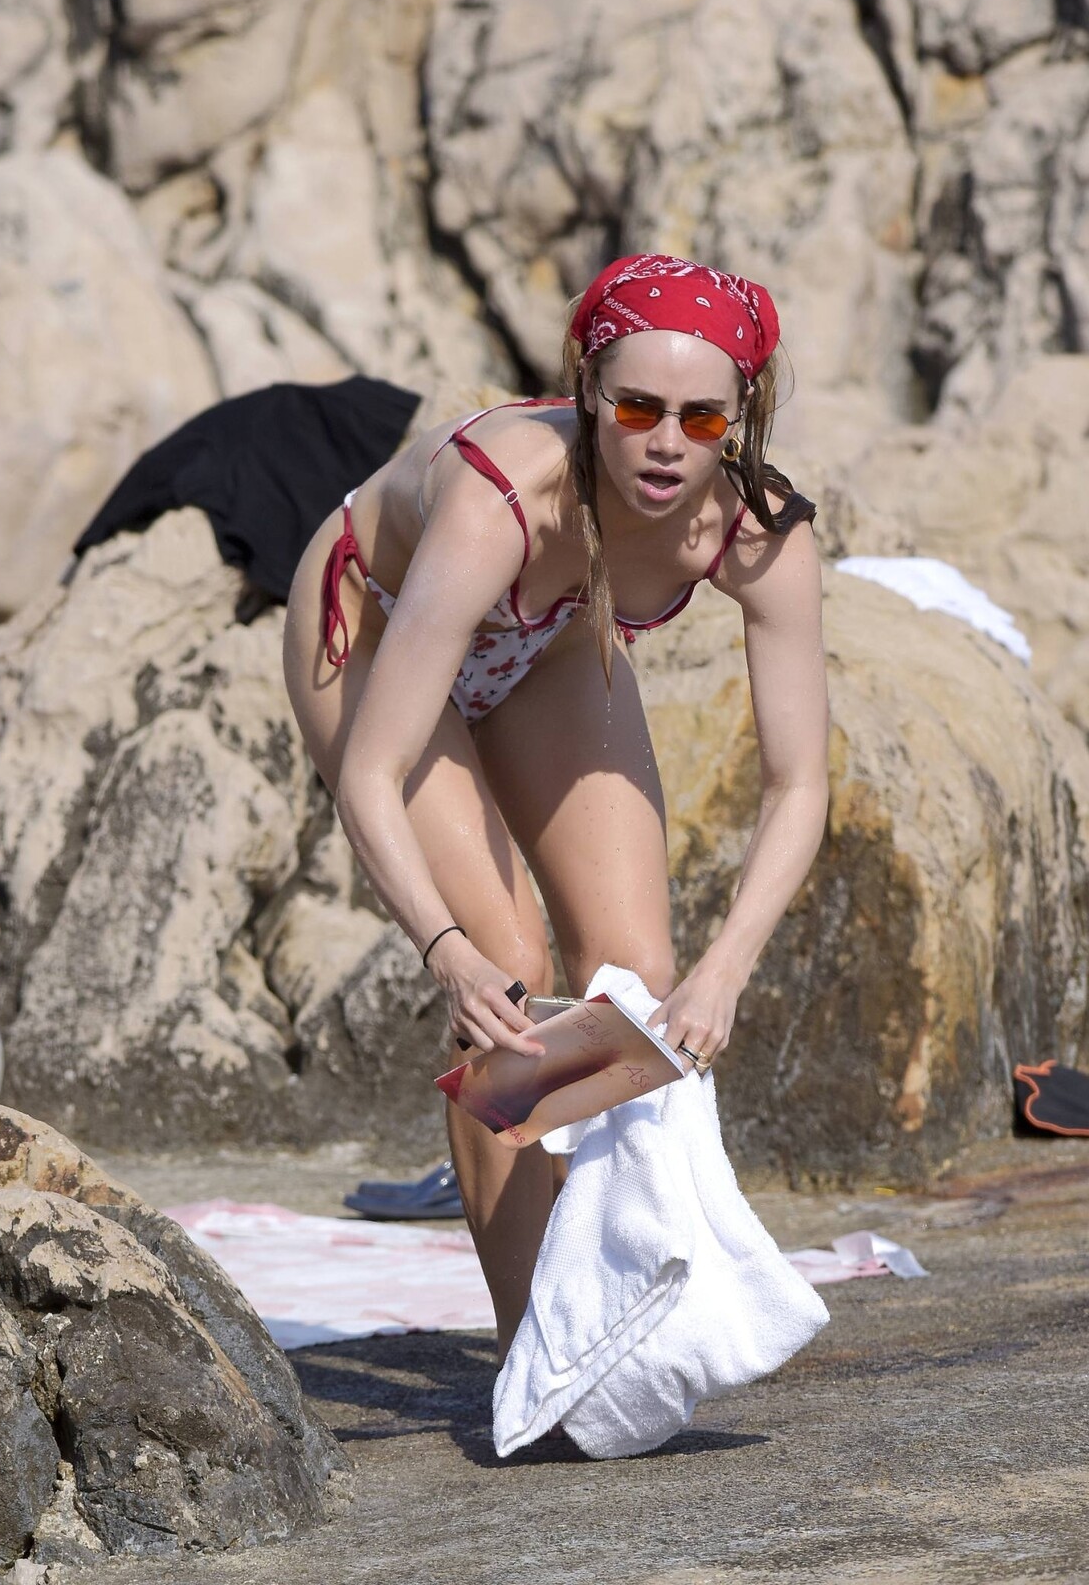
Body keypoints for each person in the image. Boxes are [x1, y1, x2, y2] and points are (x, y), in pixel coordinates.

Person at [282, 253, 830, 1360]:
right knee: (508, 971)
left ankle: (587, 1267)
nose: (666, 443)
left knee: (639, 978)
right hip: (375, 623)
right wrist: (445, 952)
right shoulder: (505, 502)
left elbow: (799, 782)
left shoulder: (756, 532)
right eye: (636, 408)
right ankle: (533, 1347)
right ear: (587, 387)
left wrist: (725, 971)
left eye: (701, 418)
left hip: (546, 642)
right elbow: (373, 773)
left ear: (741, 414)